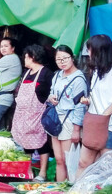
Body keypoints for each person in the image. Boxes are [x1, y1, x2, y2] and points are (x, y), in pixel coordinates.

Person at [77, 34, 112, 177]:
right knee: (83, 163)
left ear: (99, 51)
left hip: (111, 126)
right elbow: (102, 97)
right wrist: (88, 101)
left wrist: (105, 114)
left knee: (105, 170)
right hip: (94, 124)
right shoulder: (95, 71)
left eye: (90, 50)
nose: (88, 53)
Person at [12, 45, 54, 181]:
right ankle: (28, 170)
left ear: (33, 56)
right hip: (22, 114)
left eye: (26, 56)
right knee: (25, 143)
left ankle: (42, 173)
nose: (24, 59)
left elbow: (51, 93)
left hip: (37, 114)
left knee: (41, 143)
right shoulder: (26, 73)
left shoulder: (46, 73)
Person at [47, 45, 86, 182]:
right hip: (55, 120)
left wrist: (76, 129)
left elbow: (80, 106)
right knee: (58, 159)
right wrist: (50, 97)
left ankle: (71, 188)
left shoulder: (79, 79)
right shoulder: (57, 75)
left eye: (65, 58)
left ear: (72, 58)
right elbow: (51, 92)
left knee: (69, 160)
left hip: (69, 121)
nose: (62, 62)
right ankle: (59, 188)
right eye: (58, 59)